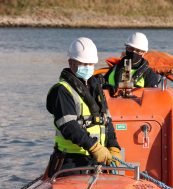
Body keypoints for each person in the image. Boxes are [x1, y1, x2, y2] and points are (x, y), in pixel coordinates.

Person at [46, 37, 121, 176]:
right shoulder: (62, 90)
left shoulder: (95, 89)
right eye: (83, 63)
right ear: (71, 62)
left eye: (90, 64)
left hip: (96, 160)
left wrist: (113, 145)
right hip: (71, 162)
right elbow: (69, 126)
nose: (87, 67)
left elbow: (107, 121)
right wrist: (94, 147)